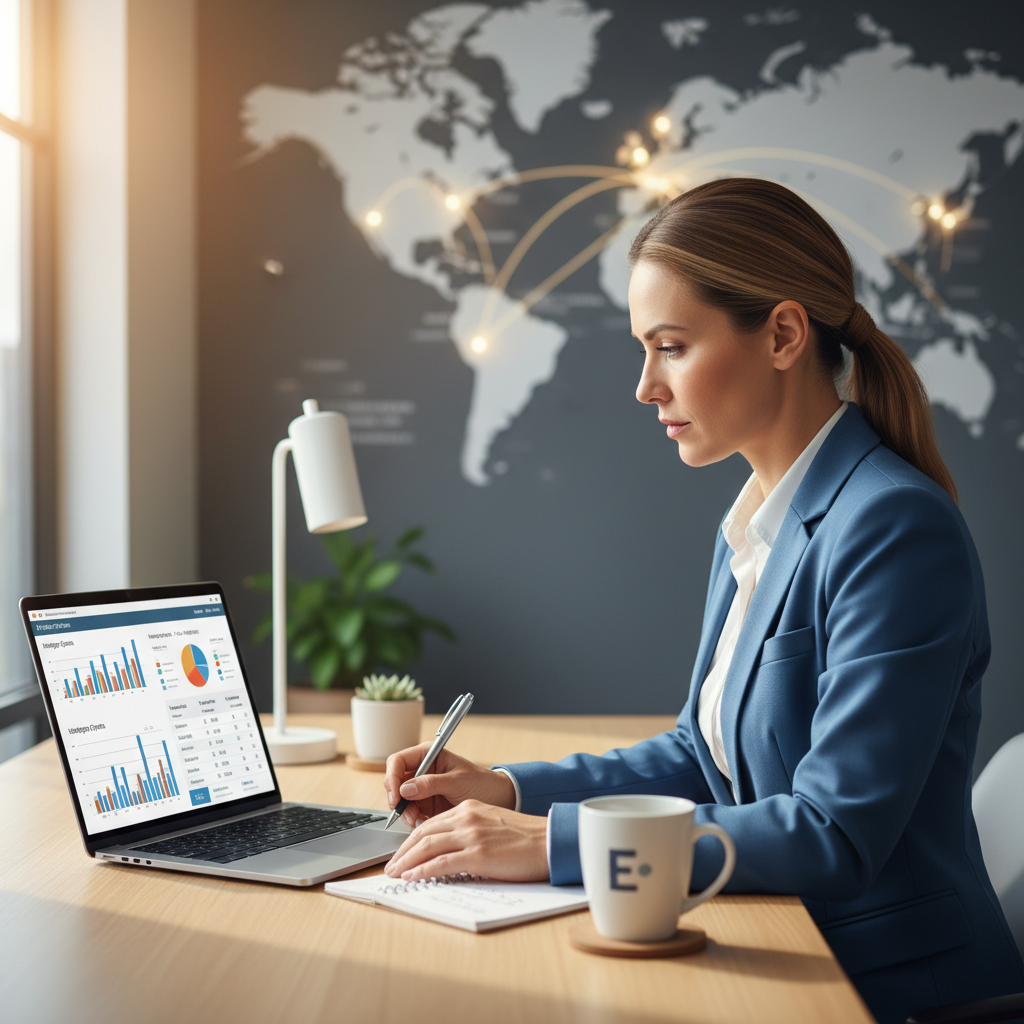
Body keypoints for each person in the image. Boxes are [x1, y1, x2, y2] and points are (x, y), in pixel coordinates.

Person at [381, 178, 1024, 1024]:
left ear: (784, 334)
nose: (646, 386)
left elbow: (833, 833)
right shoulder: (761, 517)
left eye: (672, 346)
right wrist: (504, 789)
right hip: (784, 942)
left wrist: (553, 843)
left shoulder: (893, 528)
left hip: (882, 985)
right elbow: (700, 754)